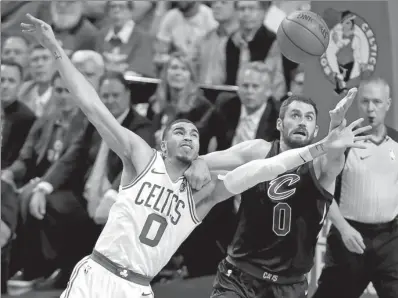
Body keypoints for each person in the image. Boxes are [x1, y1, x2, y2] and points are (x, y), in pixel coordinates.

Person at [21, 14, 370, 298]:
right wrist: (56, 50)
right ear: (162, 144)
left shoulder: (202, 195)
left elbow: (264, 168)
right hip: (97, 273)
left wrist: (323, 143)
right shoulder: (141, 159)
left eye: (194, 133)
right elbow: (93, 106)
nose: (188, 135)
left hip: (139, 287)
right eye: (179, 131)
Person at [182, 88, 367, 298]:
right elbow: (207, 159)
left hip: (289, 286)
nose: (301, 122)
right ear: (279, 124)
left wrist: (335, 128)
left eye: (308, 118)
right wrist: (198, 162)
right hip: (240, 277)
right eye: (295, 115)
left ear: (316, 131)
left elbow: (334, 156)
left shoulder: (320, 166)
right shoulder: (259, 151)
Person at [313, 78, 398, 298]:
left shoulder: (397, 142)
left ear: (388, 103)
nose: (371, 108)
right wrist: (343, 228)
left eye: (377, 102)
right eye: (365, 102)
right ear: (358, 104)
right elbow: (323, 190)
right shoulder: (345, 143)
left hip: (390, 241)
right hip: (348, 238)